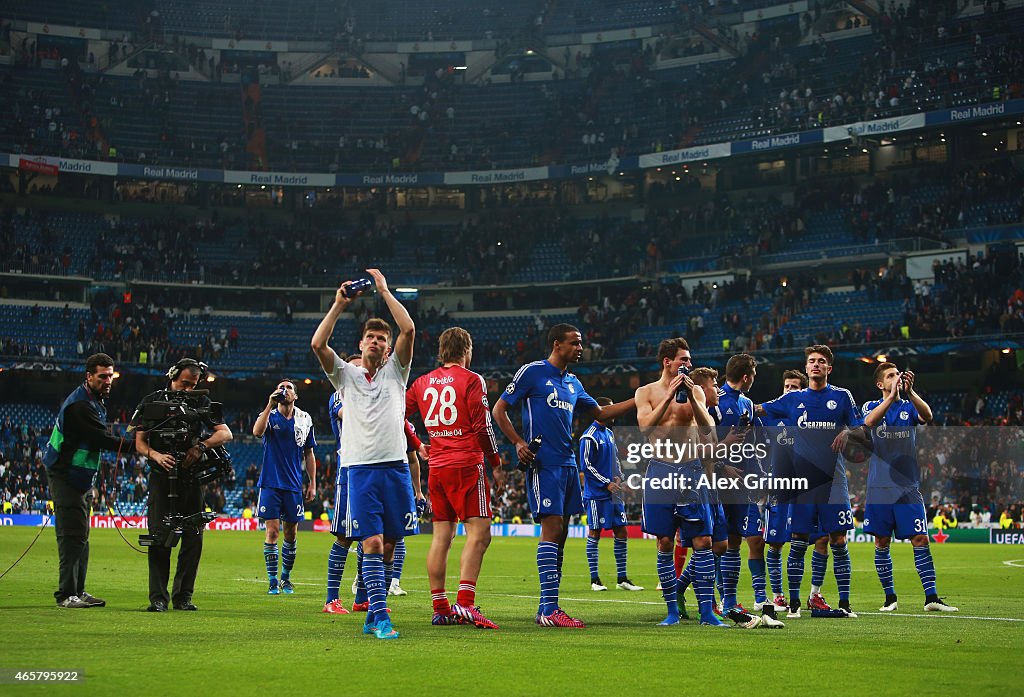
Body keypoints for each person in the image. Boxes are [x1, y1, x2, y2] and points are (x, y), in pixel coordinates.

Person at [492, 323, 635, 628]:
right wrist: (518, 443)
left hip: (568, 465)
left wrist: (641, 399)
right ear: (557, 344)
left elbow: (602, 414)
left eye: (581, 343)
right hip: (544, 464)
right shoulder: (532, 372)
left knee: (563, 535)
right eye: (575, 343)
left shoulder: (574, 383)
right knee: (553, 529)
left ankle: (549, 607)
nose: (581, 347)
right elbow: (499, 410)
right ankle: (548, 609)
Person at [312, 268, 417, 641]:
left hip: (395, 467)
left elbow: (408, 330)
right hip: (360, 469)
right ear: (360, 345)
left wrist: (385, 290)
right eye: (369, 337)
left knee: (390, 545)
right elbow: (318, 345)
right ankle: (381, 616)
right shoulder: (346, 376)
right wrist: (339, 304)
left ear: (387, 348)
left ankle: (372, 613)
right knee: (371, 543)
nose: (374, 342)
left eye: (380, 338)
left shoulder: (397, 372)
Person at [634, 340, 746, 627]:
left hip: (692, 470)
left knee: (703, 541)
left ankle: (706, 612)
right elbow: (646, 427)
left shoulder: (695, 390)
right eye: (683, 359)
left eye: (689, 359)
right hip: (660, 469)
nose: (688, 364)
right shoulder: (645, 392)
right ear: (667, 362)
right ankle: (672, 610)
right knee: (664, 541)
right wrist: (669, 395)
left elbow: (708, 427)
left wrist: (692, 398)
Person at [406, 327, 504, 628]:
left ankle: (440, 606)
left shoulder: (421, 383)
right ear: (467, 350)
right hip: (465, 464)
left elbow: (397, 416)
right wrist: (496, 462)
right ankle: (465, 604)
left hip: (437, 466)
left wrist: (419, 444)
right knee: (480, 533)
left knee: (441, 537)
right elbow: (482, 426)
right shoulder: (472, 380)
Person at [755, 345, 862, 618]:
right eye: (812, 361)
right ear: (806, 368)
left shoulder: (841, 397)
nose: (816, 365)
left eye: (821, 361)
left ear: (829, 368)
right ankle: (793, 604)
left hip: (834, 480)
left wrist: (848, 432)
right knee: (799, 539)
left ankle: (845, 603)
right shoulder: (792, 400)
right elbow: (758, 409)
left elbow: (860, 425)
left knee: (838, 538)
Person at [132, 358, 233, 612]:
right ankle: (158, 598)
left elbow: (226, 433)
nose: (187, 390)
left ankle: (183, 597)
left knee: (193, 538)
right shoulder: (152, 400)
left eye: (193, 385)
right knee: (159, 537)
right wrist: (156, 455)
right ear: (172, 375)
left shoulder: (201, 401)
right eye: (183, 383)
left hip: (191, 478)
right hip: (161, 476)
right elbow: (139, 441)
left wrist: (200, 447)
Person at [859, 363, 957, 612]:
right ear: (880, 384)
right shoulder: (870, 406)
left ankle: (931, 598)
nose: (896, 377)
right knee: (882, 541)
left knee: (921, 538)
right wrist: (890, 398)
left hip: (907, 487)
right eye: (890, 376)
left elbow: (928, 416)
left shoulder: (908, 407)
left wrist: (910, 393)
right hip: (879, 488)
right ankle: (890, 598)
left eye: (897, 374)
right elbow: (868, 423)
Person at [44, 353, 135, 608]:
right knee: (72, 535)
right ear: (89, 376)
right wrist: (136, 446)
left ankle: (78, 591)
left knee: (81, 535)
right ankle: (66, 595)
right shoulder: (81, 406)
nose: (108, 381)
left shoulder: (91, 401)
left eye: (111, 376)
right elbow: (101, 440)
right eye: (102, 376)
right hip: (65, 476)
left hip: (78, 476)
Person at [760, 369, 830, 617]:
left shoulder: (807, 415)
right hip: (780, 489)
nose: (790, 390)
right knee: (776, 543)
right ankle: (779, 595)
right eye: (787, 386)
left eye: (795, 388)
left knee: (821, 539)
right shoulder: (769, 416)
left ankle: (814, 595)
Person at [709, 354, 768, 616]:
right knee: (713, 541)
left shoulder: (747, 404)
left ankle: (729, 602)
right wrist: (722, 467)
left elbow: (752, 445)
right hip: (715, 480)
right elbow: (703, 443)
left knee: (733, 539)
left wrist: (759, 474)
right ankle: (695, 593)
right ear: (747, 377)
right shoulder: (715, 401)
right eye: (753, 375)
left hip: (740, 483)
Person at [252, 378, 316, 596]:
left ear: (295, 396)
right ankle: (272, 580)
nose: (284, 390)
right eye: (281, 386)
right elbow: (257, 432)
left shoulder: (304, 419)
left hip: (293, 486)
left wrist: (312, 483)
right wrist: (269, 404)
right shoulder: (270, 417)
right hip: (270, 483)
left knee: (291, 534)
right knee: (272, 532)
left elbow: (309, 453)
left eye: (289, 388)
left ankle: (286, 578)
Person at [579, 397, 642, 593]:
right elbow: (586, 466)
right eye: (612, 408)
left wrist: (620, 478)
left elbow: (615, 459)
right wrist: (605, 483)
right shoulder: (588, 437)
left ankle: (622, 578)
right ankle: (595, 579)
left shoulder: (609, 434)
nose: (616, 412)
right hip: (597, 494)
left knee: (621, 530)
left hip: (613, 491)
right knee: (595, 532)